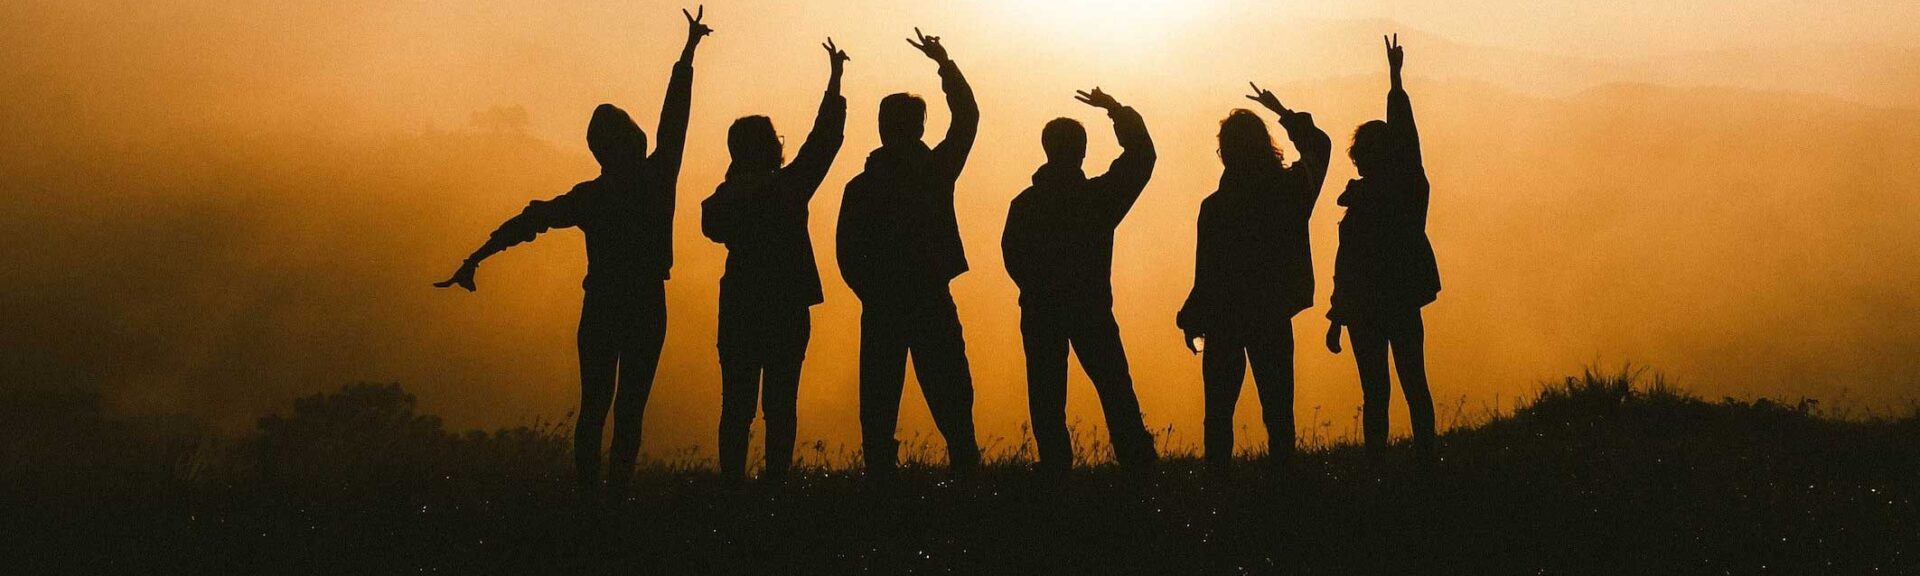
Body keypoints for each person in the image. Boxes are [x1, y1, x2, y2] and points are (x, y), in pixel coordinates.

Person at [433, 7, 712, 497]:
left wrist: (477, 257)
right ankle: (616, 498)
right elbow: (676, 117)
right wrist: (687, 54)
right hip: (645, 303)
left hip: (602, 304)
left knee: (595, 406)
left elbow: (530, 220)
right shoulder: (656, 178)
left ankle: (588, 499)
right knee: (629, 409)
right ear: (632, 139)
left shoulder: (591, 197)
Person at [701, 38, 848, 486]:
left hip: (740, 306)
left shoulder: (724, 197)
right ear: (770, 148)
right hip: (786, 307)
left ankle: (732, 487)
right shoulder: (788, 188)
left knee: (736, 406)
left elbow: (711, 227)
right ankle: (776, 486)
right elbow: (824, 142)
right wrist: (835, 82)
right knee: (780, 404)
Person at [835, 28, 981, 480]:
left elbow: (847, 253)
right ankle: (965, 470)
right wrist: (945, 62)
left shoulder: (862, 186)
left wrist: (872, 291)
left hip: (882, 304)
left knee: (879, 396)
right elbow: (968, 118)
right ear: (918, 127)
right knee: (950, 390)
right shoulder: (934, 171)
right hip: (928, 297)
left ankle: (880, 476)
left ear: (882, 127)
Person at [1001, 88, 1158, 480]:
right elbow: (1142, 157)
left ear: (1046, 150)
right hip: (1091, 309)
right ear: (1083, 152)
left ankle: (1056, 470)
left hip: (1040, 310)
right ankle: (1138, 464)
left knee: (1046, 395)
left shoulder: (1025, 204)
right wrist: (1116, 110)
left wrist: (1038, 288)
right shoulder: (1097, 199)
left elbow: (1012, 256)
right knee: (1115, 387)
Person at [1176, 83, 1331, 472]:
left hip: (1224, 320)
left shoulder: (1214, 208)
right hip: (1272, 314)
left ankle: (1217, 486)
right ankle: (1284, 488)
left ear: (1225, 154)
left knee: (1218, 415)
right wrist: (1283, 112)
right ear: (1265, 145)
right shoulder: (1291, 190)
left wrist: (1192, 318)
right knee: (1278, 411)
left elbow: (1207, 273)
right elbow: (1320, 147)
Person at [1325, 34, 1440, 461]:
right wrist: (1394, 81)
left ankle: (1377, 465)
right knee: (1413, 381)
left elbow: (1347, 266)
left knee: (1376, 391)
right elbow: (1408, 139)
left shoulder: (1365, 200)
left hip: (1364, 309)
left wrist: (1338, 316)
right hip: (1401, 299)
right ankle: (1427, 459)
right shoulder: (1409, 188)